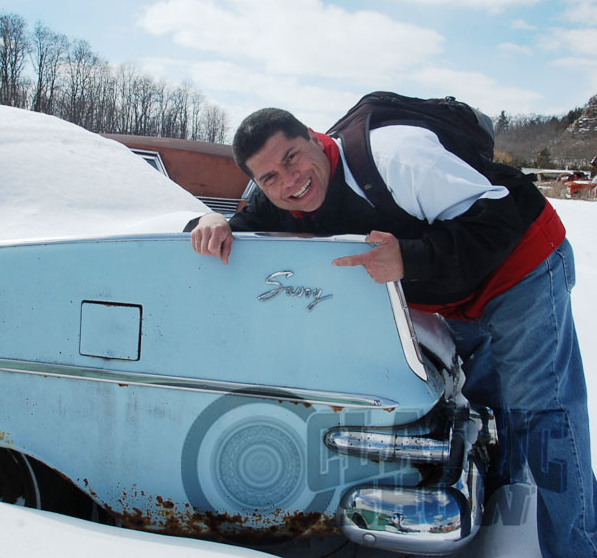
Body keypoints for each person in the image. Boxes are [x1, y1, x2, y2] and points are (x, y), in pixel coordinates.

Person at [189, 105, 596, 557]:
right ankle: (507, 499)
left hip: (520, 267)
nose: (289, 181)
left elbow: (499, 216)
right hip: (456, 294)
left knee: (542, 410)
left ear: (312, 136)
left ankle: (577, 545)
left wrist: (411, 259)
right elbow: (245, 232)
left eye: (291, 157)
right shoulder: (284, 196)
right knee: (486, 395)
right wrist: (209, 222)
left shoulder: (396, 157)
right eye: (268, 177)